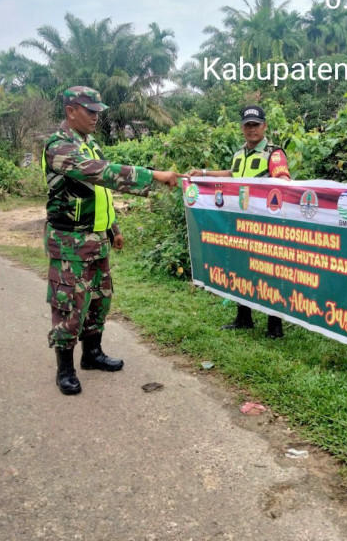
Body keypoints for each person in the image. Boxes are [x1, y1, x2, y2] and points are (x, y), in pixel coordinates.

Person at [43, 86, 180, 395]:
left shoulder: (90, 144)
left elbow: (100, 192)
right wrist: (152, 175)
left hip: (97, 239)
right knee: (68, 305)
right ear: (71, 111)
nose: (96, 117)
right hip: (70, 242)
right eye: (90, 111)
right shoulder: (59, 147)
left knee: (99, 300)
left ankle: (92, 354)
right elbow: (98, 173)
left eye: (97, 111)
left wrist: (114, 228)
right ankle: (64, 368)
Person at [186, 104, 292, 338]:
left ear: (264, 126)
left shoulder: (274, 153)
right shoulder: (239, 153)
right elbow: (231, 175)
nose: (252, 129)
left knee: (269, 271)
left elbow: (283, 177)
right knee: (240, 267)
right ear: (242, 128)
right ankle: (244, 318)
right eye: (247, 125)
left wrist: (280, 180)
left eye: (256, 125)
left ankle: (275, 326)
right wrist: (203, 174)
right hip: (239, 222)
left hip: (265, 223)